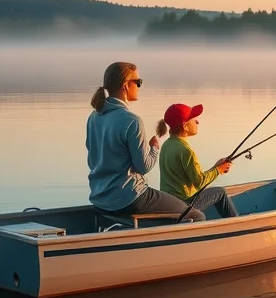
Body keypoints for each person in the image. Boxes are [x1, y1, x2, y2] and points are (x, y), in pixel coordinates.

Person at [86, 62, 206, 222]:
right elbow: (144, 166)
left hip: (100, 198)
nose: (140, 86)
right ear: (126, 86)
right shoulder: (132, 121)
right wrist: (154, 148)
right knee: (196, 215)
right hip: (130, 198)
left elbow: (94, 158)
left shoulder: (93, 117)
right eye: (138, 82)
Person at [156, 103, 239, 219]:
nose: (198, 122)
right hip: (184, 205)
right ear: (185, 126)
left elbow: (195, 181)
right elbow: (199, 182)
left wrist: (216, 168)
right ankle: (237, 224)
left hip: (169, 202)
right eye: (193, 119)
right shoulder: (185, 151)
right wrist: (218, 170)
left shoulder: (167, 145)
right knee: (221, 192)